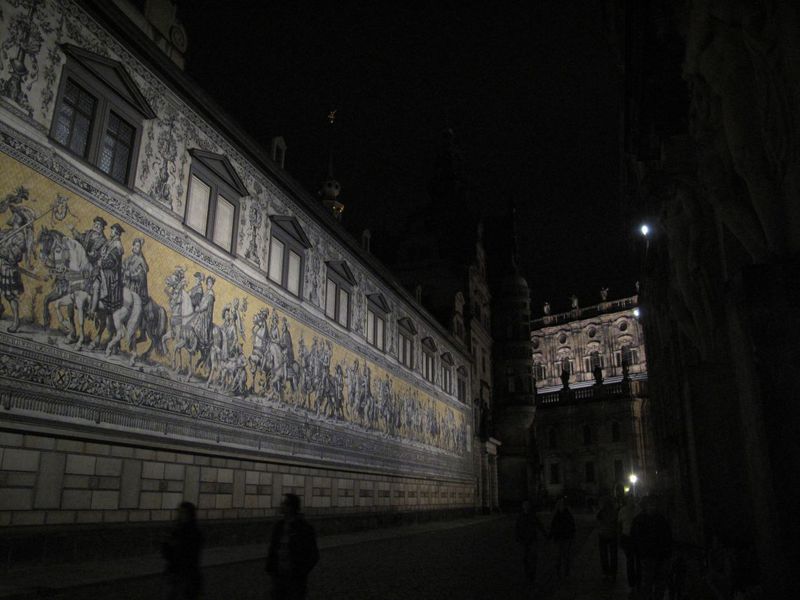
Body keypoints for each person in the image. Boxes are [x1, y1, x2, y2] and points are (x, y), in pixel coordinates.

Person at [266, 493, 319, 600]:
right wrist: (271, 568)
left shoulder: (304, 528)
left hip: (294, 578)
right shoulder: (279, 526)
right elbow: (273, 549)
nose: (281, 505)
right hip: (278, 575)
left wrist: (301, 572)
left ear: (291, 507)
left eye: (284, 503)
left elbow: (313, 554)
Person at [631, 495, 672, 600]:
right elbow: (635, 538)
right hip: (648, 556)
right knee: (648, 582)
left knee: (658, 583)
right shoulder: (640, 520)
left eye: (654, 504)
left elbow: (667, 536)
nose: (653, 507)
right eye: (650, 504)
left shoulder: (660, 519)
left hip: (660, 556)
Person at [162, 501, 204, 600]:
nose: (180, 515)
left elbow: (188, 553)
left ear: (190, 514)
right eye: (179, 512)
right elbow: (168, 550)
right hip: (175, 573)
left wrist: (172, 546)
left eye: (183, 512)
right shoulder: (177, 529)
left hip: (187, 575)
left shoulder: (194, 532)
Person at [515, 500, 547, 583]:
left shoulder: (532, 516)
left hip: (532, 539)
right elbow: (517, 528)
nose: (526, 507)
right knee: (525, 558)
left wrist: (545, 534)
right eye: (525, 505)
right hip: (524, 540)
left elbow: (539, 525)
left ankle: (532, 574)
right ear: (523, 507)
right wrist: (518, 537)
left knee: (533, 558)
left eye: (527, 505)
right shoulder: (520, 517)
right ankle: (528, 573)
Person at [618, 493, 641, 592]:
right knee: (630, 560)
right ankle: (632, 582)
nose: (631, 501)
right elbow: (619, 524)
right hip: (627, 537)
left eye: (632, 499)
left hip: (636, 538)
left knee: (637, 560)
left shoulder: (638, 509)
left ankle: (637, 581)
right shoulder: (623, 510)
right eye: (629, 499)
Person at [549, 496, 576, 579]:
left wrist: (572, 536)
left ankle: (566, 573)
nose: (561, 505)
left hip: (566, 538)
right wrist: (550, 536)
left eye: (562, 504)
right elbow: (553, 526)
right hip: (558, 538)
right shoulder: (556, 515)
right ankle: (558, 573)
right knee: (558, 557)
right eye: (560, 504)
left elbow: (572, 525)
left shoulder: (567, 514)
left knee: (566, 556)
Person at [597, 495, 619, 581]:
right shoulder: (614, 511)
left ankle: (605, 572)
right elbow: (616, 523)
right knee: (613, 555)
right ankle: (612, 573)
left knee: (604, 555)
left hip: (603, 534)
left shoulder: (602, 512)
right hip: (612, 534)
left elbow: (598, 520)